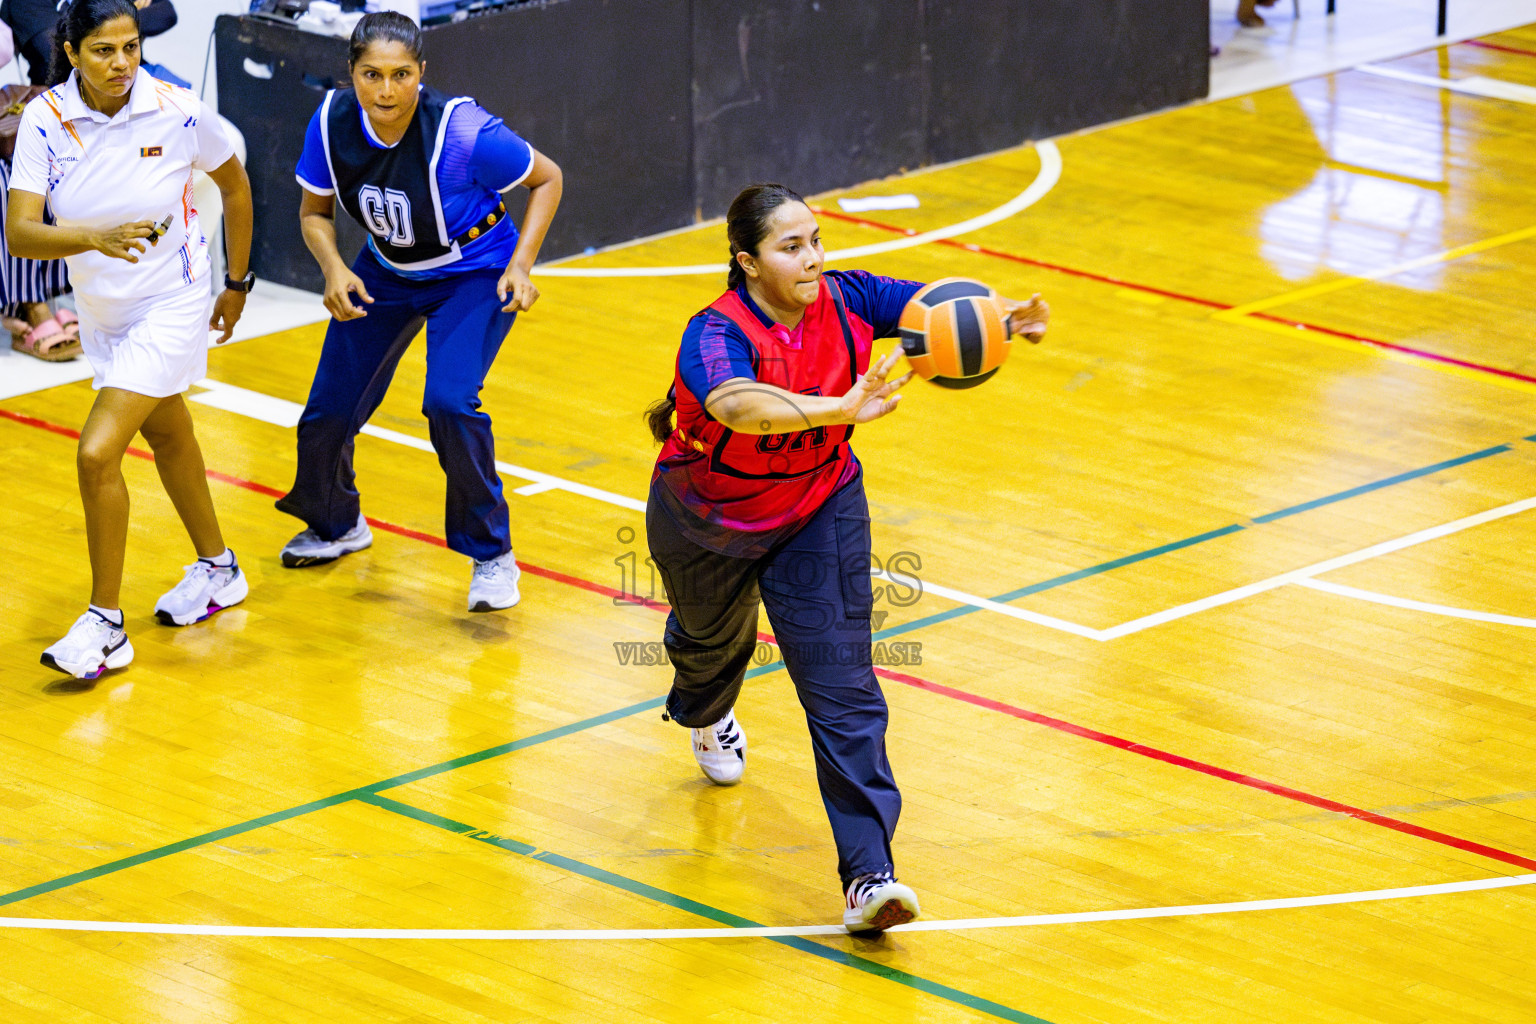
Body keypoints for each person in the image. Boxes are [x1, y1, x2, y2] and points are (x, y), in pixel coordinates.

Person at [644, 183, 1050, 933]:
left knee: (844, 688)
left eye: (815, 241)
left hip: (816, 509)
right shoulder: (713, 332)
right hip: (707, 521)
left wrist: (1002, 318)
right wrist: (839, 410)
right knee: (706, 646)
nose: (811, 258)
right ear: (748, 261)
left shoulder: (851, 297)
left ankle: (870, 877)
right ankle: (708, 713)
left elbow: (934, 303)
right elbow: (737, 406)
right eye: (790, 247)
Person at [277, 11, 562, 613]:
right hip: (385, 268)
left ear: (421, 73)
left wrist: (522, 265)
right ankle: (338, 525)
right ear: (351, 74)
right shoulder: (330, 122)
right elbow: (313, 214)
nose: (386, 90)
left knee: (450, 403)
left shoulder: (463, 133)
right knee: (327, 413)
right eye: (371, 74)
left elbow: (548, 178)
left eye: (400, 74)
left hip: (475, 270)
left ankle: (491, 554)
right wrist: (334, 268)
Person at [7, 0, 256, 679]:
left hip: (171, 302)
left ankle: (106, 625)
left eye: (129, 47)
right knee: (170, 434)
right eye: (103, 51)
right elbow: (21, 231)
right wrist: (95, 239)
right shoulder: (45, 120)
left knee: (96, 454)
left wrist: (237, 282)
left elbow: (235, 187)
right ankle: (220, 569)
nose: (121, 64)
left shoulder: (176, 109)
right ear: (71, 53)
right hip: (102, 311)